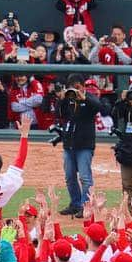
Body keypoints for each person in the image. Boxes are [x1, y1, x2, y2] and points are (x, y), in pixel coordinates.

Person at [46, 74, 110, 218]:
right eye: (72, 88)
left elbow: (102, 109)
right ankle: (75, 204)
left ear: (83, 87)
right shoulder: (68, 100)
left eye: (78, 88)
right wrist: (61, 100)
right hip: (69, 145)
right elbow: (58, 114)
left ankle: (86, 206)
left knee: (85, 178)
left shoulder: (90, 99)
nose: (75, 91)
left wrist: (85, 98)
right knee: (69, 177)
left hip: (85, 145)